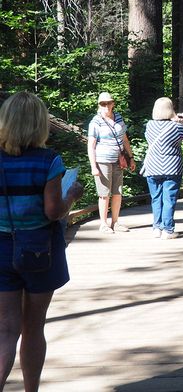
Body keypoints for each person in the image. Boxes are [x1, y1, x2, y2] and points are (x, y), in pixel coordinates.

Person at [0, 91, 84, 391]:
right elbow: (52, 212)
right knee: (33, 326)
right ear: (39, 124)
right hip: (38, 251)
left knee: (6, 330)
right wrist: (71, 196)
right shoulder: (49, 160)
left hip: (1, 248)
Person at [140, 98, 183, 239]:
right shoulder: (177, 127)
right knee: (169, 198)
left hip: (152, 167)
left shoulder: (149, 125)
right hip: (172, 168)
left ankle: (157, 228)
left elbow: (148, 139)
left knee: (156, 198)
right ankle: (168, 230)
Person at [86, 92, 135, 233]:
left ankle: (115, 222)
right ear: (99, 105)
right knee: (104, 193)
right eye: (103, 103)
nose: (106, 106)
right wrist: (93, 166)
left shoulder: (118, 117)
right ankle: (103, 224)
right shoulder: (95, 122)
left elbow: (125, 139)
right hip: (102, 160)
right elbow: (91, 145)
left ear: (113, 103)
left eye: (109, 103)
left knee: (117, 192)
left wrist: (130, 157)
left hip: (118, 160)